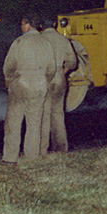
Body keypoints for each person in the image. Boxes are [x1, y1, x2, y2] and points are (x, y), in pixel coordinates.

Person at [2, 11, 55, 164]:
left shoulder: (19, 42)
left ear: (27, 24)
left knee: (13, 122)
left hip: (20, 85)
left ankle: (10, 158)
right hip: (39, 86)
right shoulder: (46, 43)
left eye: (22, 24)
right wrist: (42, 80)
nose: (21, 27)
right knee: (34, 124)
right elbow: (51, 69)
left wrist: (10, 80)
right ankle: (32, 158)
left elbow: (8, 67)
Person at [39, 17, 78, 155]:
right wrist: (62, 72)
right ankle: (61, 149)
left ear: (41, 25)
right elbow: (72, 62)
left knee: (43, 115)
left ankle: (42, 150)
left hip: (43, 79)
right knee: (58, 114)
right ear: (55, 24)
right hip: (59, 79)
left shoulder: (39, 40)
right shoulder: (63, 39)